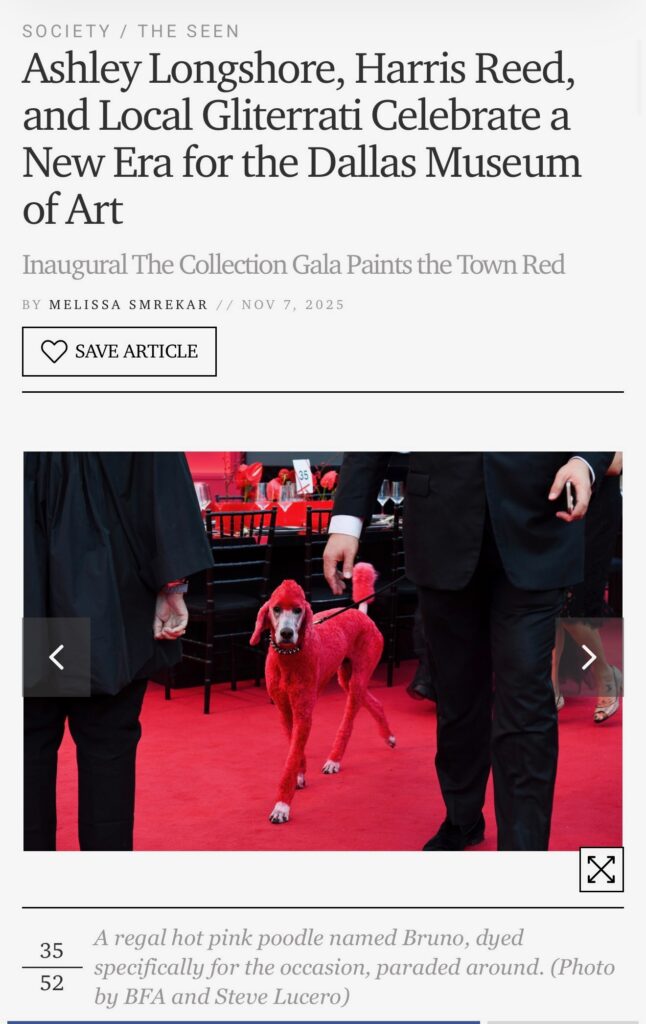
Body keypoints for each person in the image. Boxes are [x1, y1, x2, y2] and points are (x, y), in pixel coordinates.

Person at [323, 452, 614, 851]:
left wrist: (585, 459)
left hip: (539, 524)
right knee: (458, 696)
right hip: (441, 528)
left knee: (527, 698)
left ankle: (524, 847)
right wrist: (347, 522)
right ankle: (461, 817)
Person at [23, 452, 214, 851]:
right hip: (106, 596)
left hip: (28, 591)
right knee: (106, 746)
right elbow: (159, 471)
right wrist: (172, 586)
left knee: (25, 752)